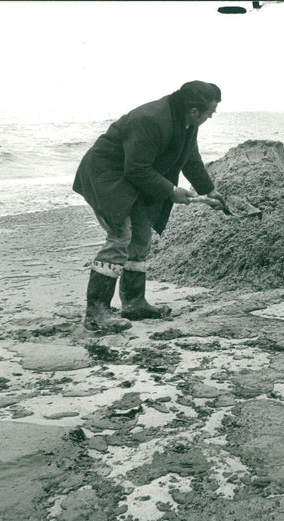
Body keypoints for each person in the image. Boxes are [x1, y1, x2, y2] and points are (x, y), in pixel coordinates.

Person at [73, 80, 226, 332]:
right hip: (106, 177)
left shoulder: (186, 121)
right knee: (120, 237)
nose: (211, 116)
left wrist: (208, 190)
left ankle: (134, 303)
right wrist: (170, 191)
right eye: (210, 113)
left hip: (134, 179)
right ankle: (96, 312)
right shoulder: (150, 120)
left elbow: (191, 159)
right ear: (194, 110)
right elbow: (136, 168)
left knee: (141, 236)